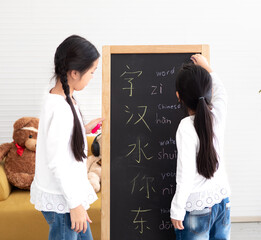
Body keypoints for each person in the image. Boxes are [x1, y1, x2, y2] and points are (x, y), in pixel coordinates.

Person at [30, 35, 104, 240]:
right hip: (64, 201)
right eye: (91, 72)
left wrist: (86, 127)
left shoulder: (63, 98)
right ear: (73, 73)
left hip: (68, 197)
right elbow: (58, 162)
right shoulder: (59, 108)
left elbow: (62, 139)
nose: (91, 77)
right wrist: (75, 205)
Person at [170, 54, 231, 240]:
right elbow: (222, 93)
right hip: (223, 200)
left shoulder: (186, 128)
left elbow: (185, 174)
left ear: (178, 96)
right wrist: (209, 69)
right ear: (208, 91)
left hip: (196, 206)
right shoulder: (217, 116)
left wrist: (177, 209)